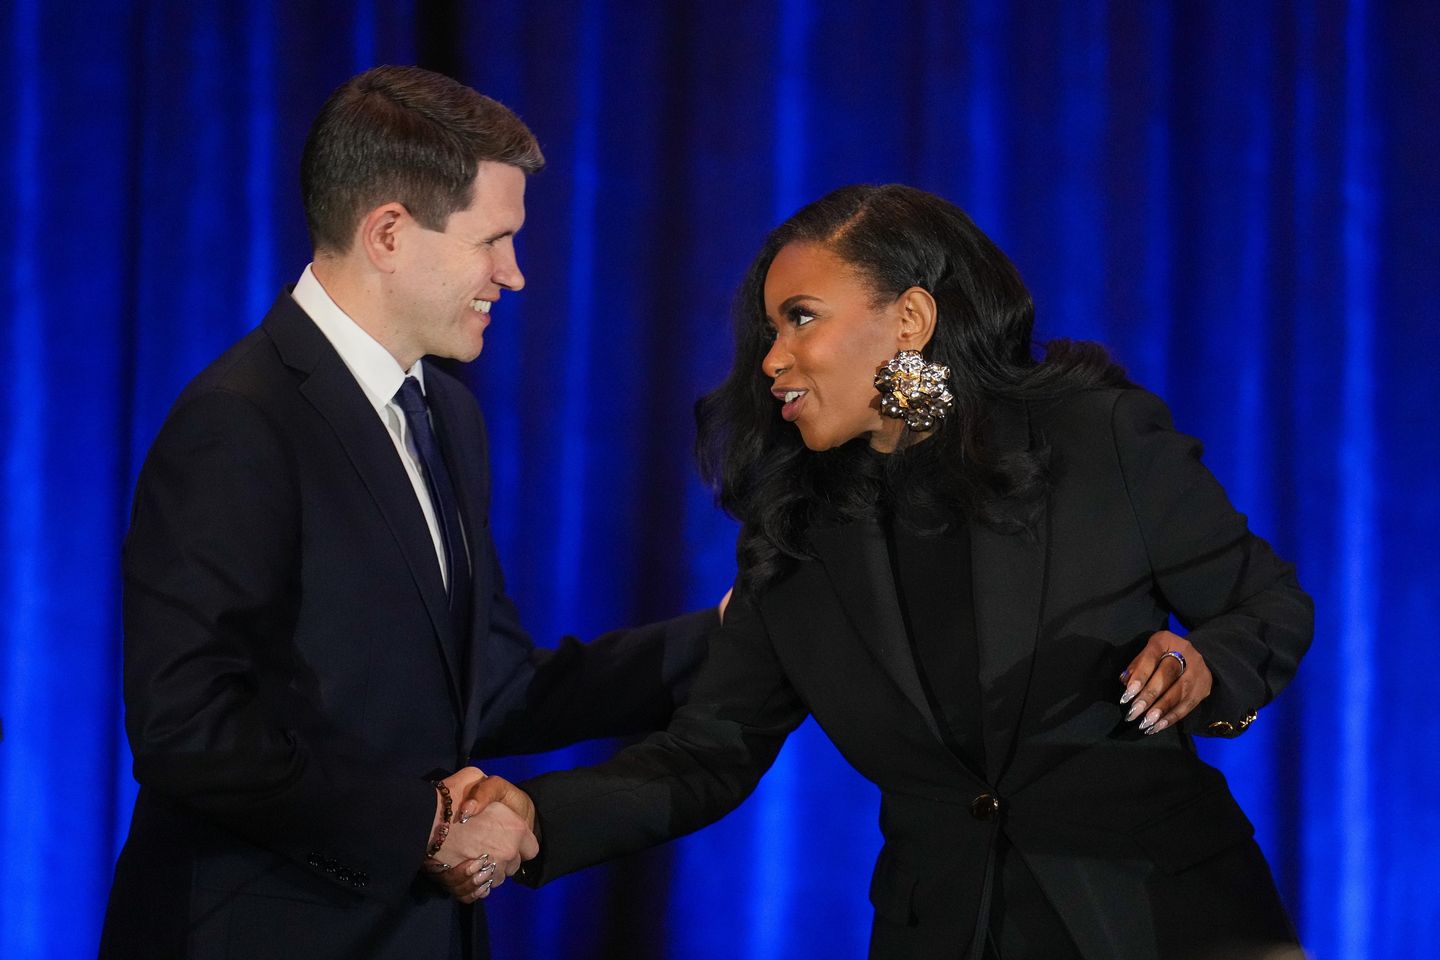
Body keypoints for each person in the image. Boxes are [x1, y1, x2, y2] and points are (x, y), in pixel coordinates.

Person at [456, 184, 1314, 959]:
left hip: (1169, 916)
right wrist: (536, 818)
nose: (771, 358)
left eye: (801, 318)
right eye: (769, 329)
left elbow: (1266, 602)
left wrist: (1207, 668)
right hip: (944, 930)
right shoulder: (795, 529)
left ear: (910, 318)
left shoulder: (1095, 436)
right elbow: (708, 754)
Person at [100, 65, 714, 960]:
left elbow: (493, 687)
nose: (514, 275)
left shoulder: (447, 416)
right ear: (388, 233)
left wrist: (725, 637)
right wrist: (425, 825)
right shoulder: (239, 420)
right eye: (493, 241)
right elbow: (189, 728)